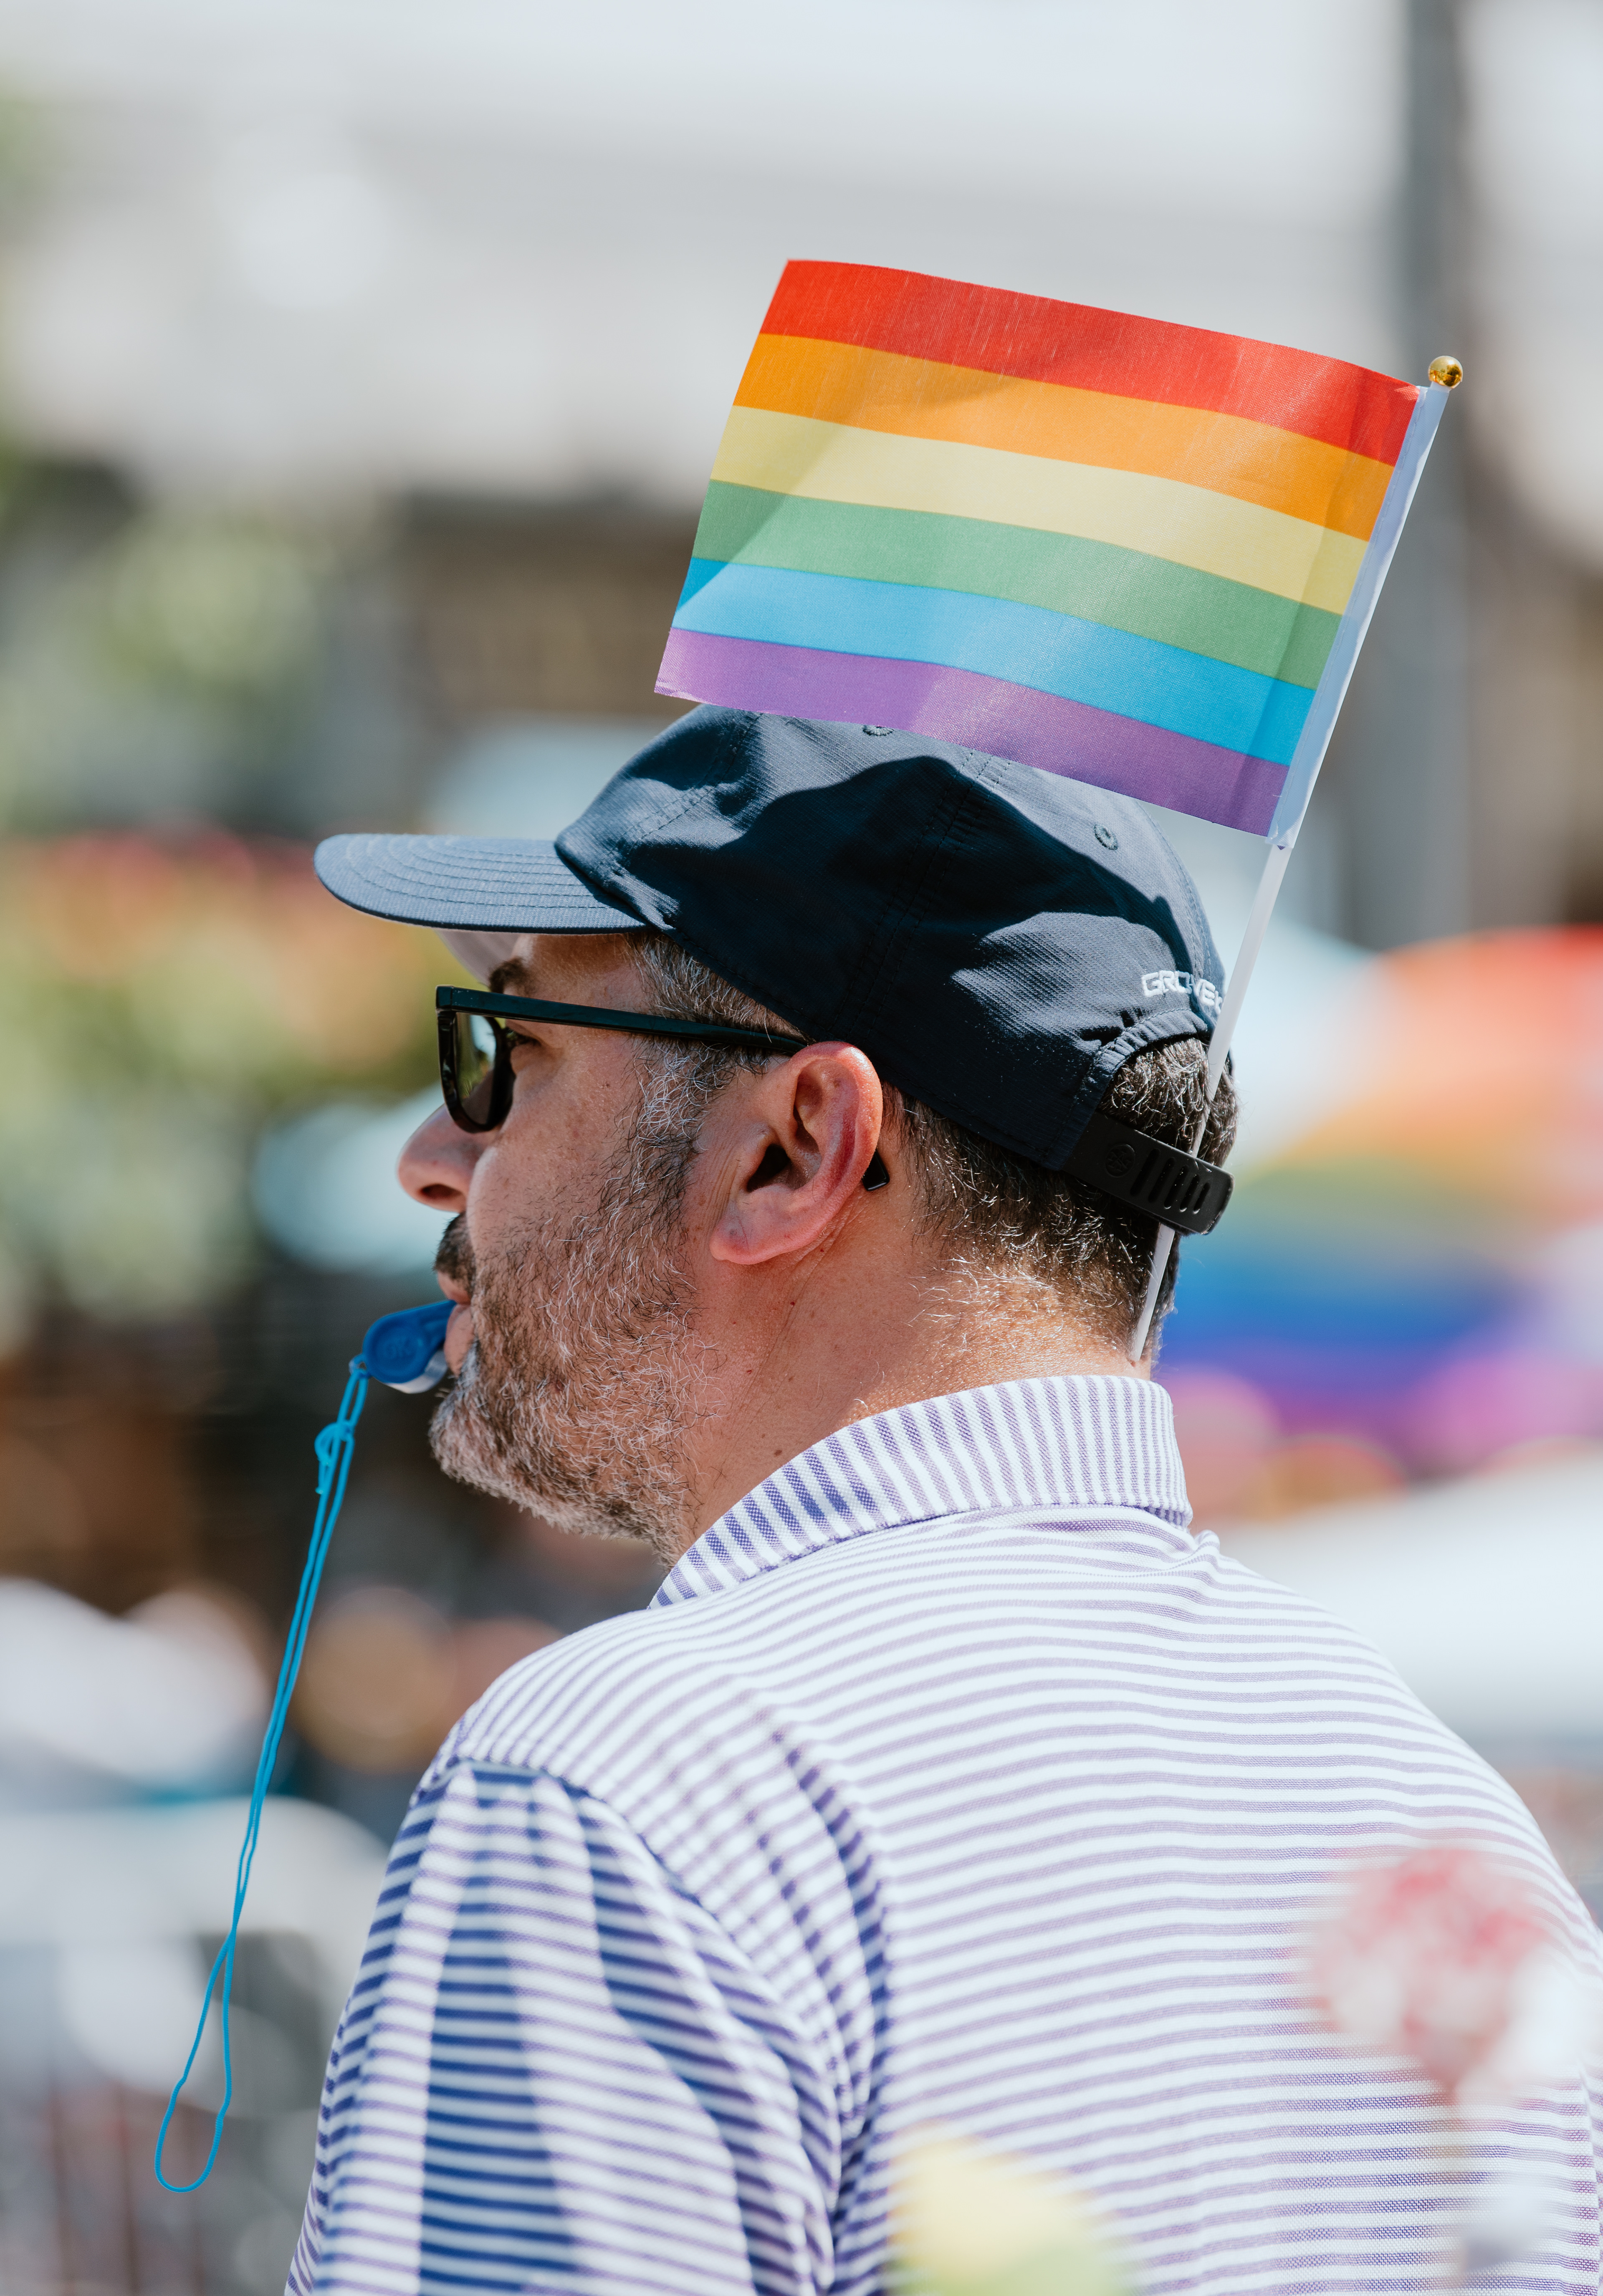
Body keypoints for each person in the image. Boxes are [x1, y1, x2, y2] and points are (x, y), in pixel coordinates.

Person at [292, 710, 1601, 2295]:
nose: (438, 1154)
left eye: (512, 1050)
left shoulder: (629, 1781)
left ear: (796, 1148)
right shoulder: (1454, 1837)